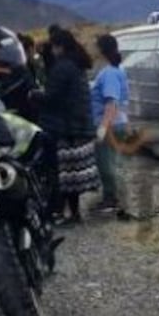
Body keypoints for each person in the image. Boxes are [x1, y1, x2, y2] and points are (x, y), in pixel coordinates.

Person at [30, 28, 100, 225]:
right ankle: (74, 213)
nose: (51, 51)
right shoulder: (76, 63)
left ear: (59, 46)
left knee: (67, 174)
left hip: (67, 127)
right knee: (75, 174)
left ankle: (72, 214)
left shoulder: (62, 67)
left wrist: (34, 95)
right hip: (79, 124)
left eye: (52, 46)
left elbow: (52, 97)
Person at [91, 34, 132, 219]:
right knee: (113, 163)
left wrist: (103, 127)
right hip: (118, 123)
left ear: (102, 49)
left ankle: (113, 200)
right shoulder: (117, 69)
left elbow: (111, 102)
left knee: (107, 165)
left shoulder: (109, 73)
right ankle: (118, 200)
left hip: (110, 125)